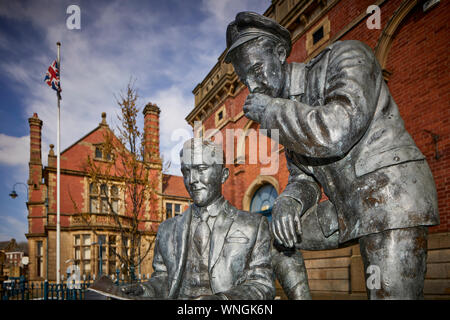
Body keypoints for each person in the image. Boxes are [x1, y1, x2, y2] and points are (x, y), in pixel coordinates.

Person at [224, 11, 439, 299]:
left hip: (389, 197)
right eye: (244, 79)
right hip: (345, 207)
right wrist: (288, 202)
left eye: (257, 70)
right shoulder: (284, 110)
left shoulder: (346, 56)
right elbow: (304, 175)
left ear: (279, 53)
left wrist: (270, 111)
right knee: (267, 235)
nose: (252, 86)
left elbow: (336, 131)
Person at [121, 138, 275, 300]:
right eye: (186, 171)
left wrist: (223, 300)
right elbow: (164, 279)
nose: (192, 179)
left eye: (201, 169)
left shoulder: (253, 226)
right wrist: (145, 290)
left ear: (223, 175)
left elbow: (262, 285)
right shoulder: (167, 229)